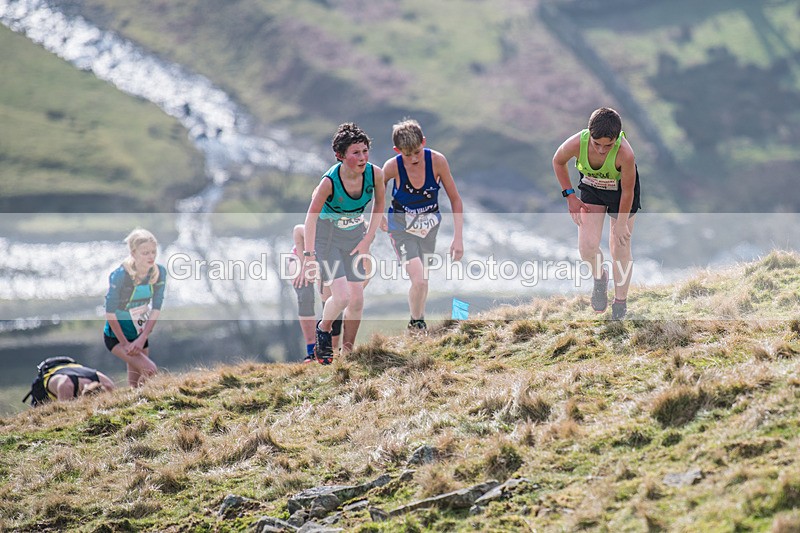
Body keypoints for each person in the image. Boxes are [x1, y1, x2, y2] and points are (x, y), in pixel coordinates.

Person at [302, 123, 385, 363]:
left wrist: (368, 239)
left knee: (357, 299)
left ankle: (348, 354)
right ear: (340, 156)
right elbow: (310, 218)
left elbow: (379, 205)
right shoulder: (329, 181)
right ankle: (324, 329)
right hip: (327, 238)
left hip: (354, 237)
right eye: (355, 153)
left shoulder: (375, 174)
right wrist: (308, 256)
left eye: (365, 151)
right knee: (341, 297)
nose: (362, 158)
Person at [552, 107, 641, 320]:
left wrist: (620, 223)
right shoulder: (576, 143)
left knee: (619, 246)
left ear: (617, 139)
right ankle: (600, 278)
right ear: (589, 134)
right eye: (596, 144)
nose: (602, 150)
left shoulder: (625, 154)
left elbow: (628, 191)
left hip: (621, 195)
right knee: (586, 248)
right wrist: (570, 196)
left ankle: (620, 302)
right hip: (592, 189)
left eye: (608, 145)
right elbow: (558, 161)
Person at [381, 118, 464, 331]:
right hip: (400, 229)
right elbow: (375, 192)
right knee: (418, 279)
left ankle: (417, 320)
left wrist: (458, 238)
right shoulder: (392, 167)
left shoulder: (437, 161)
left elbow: (455, 199)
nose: (414, 158)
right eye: (407, 154)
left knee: (423, 280)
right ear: (397, 150)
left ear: (424, 142)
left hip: (428, 228)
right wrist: (379, 215)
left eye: (417, 152)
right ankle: (417, 325)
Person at [103, 228, 166, 386]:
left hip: (139, 335)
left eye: (153, 252)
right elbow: (110, 313)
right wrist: (125, 343)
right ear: (133, 253)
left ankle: (136, 407)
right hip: (117, 337)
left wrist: (143, 337)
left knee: (137, 384)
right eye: (145, 253)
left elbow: (156, 308)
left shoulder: (160, 273)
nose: (151, 257)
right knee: (150, 370)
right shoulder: (120, 276)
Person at [289, 223, 342, 363]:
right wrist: (302, 264)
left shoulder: (347, 234)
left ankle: (331, 349)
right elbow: (297, 230)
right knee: (305, 291)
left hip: (327, 259)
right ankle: (310, 350)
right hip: (302, 254)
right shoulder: (320, 228)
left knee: (333, 301)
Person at [44, 361, 116, 401]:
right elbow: (63, 414)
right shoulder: (66, 387)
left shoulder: (108, 385)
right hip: (49, 370)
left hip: (73, 365)